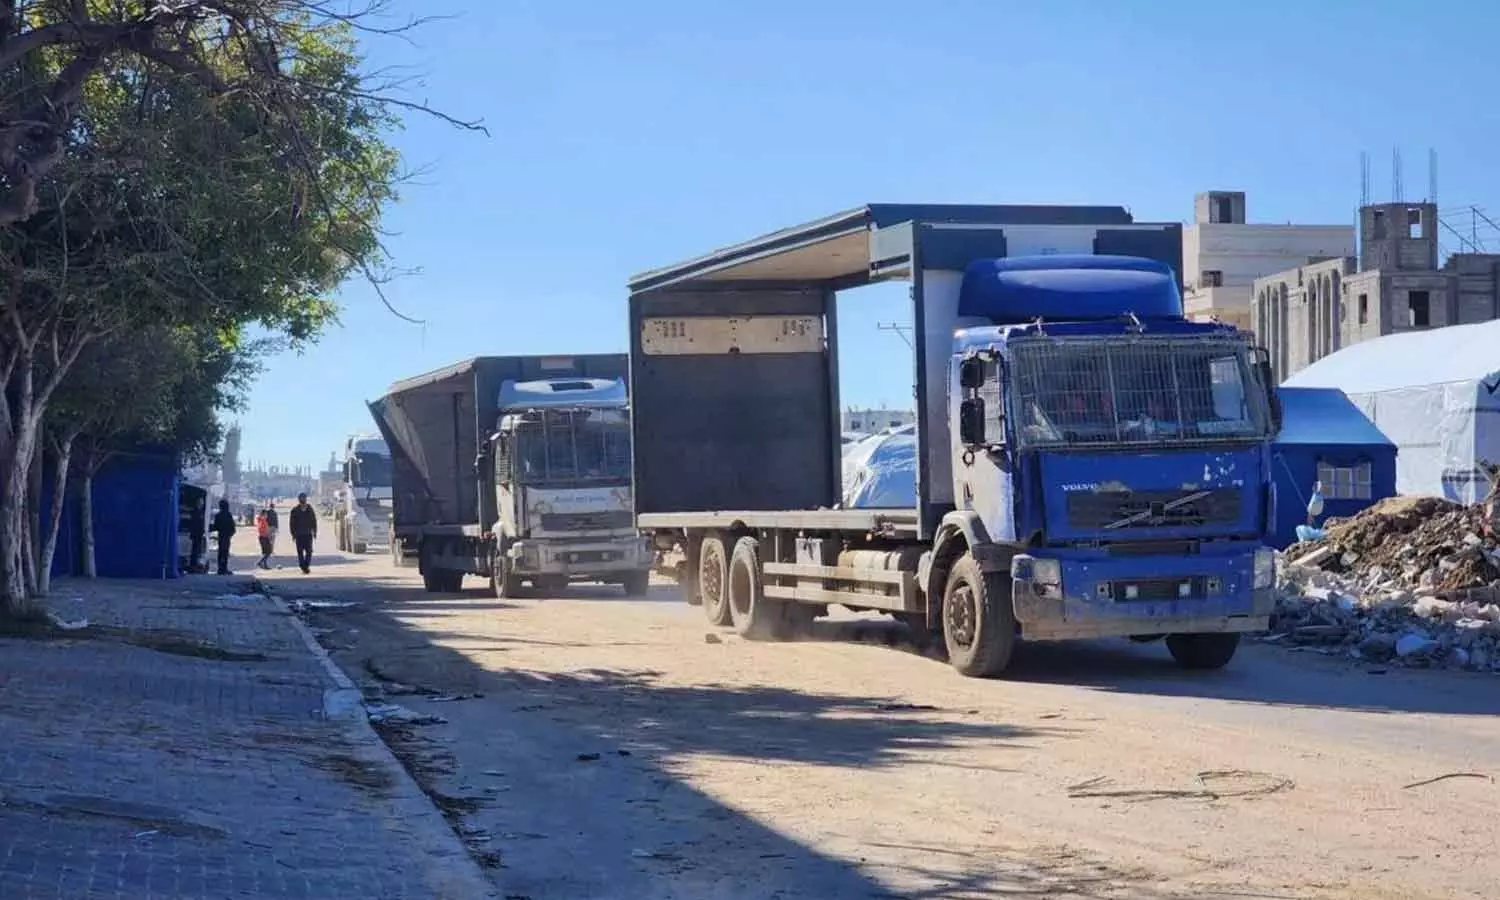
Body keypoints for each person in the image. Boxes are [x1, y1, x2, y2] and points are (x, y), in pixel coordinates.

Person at [289, 492, 318, 574]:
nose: (303, 499)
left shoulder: (310, 509)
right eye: (301, 498)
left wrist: (315, 531)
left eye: (304, 498)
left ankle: (306, 565)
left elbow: (314, 521)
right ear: (299, 499)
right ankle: (303, 566)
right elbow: (292, 523)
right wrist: (293, 534)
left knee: (309, 551)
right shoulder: (295, 510)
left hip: (308, 534)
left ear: (306, 499)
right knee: (300, 552)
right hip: (299, 535)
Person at [211, 499, 237, 575]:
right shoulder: (229, 515)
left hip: (221, 535)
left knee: (220, 553)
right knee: (225, 553)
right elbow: (233, 527)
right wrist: (230, 534)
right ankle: (224, 568)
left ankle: (220, 569)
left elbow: (216, 526)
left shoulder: (218, 515)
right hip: (227, 536)